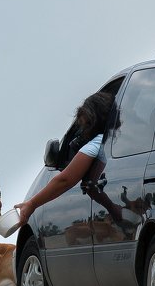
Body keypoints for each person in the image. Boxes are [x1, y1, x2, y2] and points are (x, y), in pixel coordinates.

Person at [15, 91, 117, 226]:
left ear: (93, 121)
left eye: (84, 125)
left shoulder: (97, 143)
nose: (83, 132)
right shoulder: (119, 138)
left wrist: (31, 204)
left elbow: (65, 180)